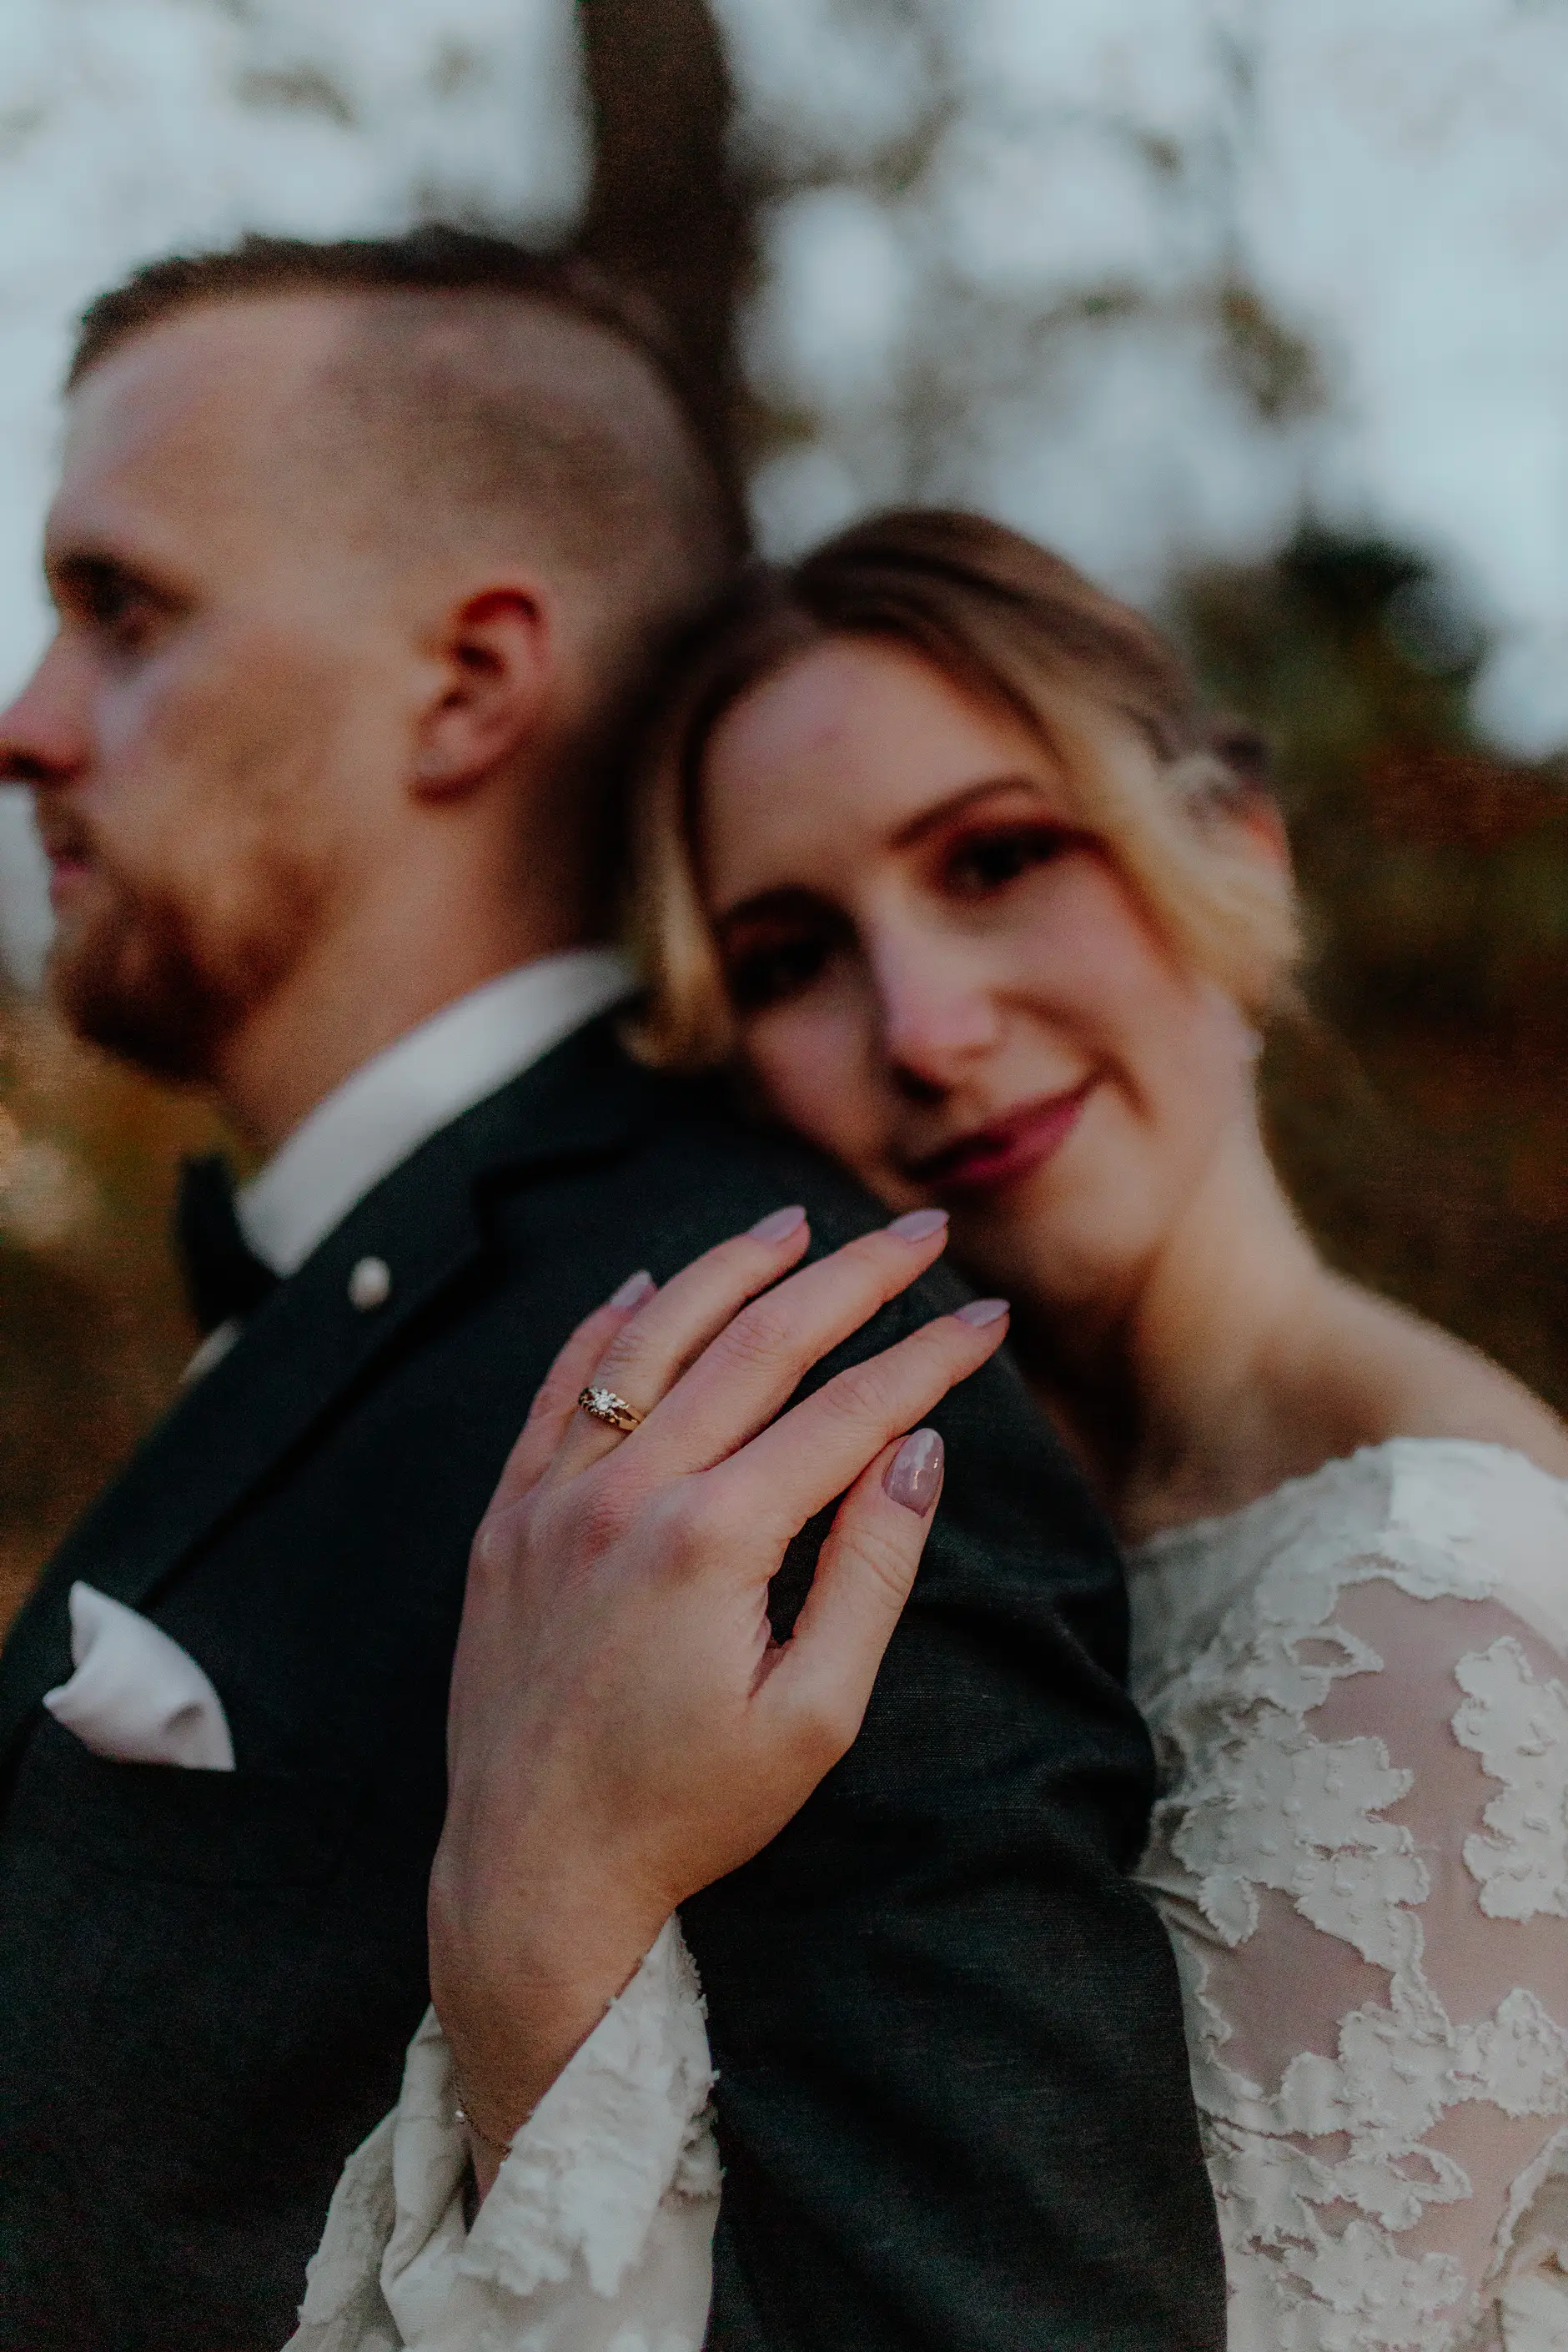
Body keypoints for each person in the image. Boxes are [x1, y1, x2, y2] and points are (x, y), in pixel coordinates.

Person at [0, 249, 1221, 2351]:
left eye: (124, 610)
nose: (27, 722)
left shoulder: (780, 1382)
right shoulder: (354, 1288)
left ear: (471, 681)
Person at [316, 510, 1568, 2349]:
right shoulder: (942, 1545)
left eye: (996, 858)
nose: (926, 1026)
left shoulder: (1436, 1615)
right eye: (787, 958)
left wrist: (541, 1923)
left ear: (1234, 841)